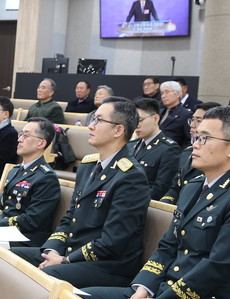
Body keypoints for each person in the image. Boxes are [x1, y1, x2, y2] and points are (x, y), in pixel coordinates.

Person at [80, 106, 230, 299]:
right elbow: (168, 246)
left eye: (204, 138)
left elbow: (220, 265)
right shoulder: (193, 187)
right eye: (196, 136)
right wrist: (142, 288)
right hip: (166, 294)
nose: (195, 145)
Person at [13, 97, 150, 287]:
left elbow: (112, 241)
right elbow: (69, 218)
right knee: (9, 257)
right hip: (72, 254)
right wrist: (52, 250)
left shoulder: (131, 176)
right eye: (92, 119)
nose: (91, 126)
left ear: (118, 130)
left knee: (46, 275)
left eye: (98, 120)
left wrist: (65, 260)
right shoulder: (88, 166)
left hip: (107, 266)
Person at [0, 118, 62, 247]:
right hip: (1, 230)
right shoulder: (15, 170)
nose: (19, 139)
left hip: (24, 237)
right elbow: (0, 205)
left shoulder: (46, 177)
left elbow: (32, 221)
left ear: (41, 144)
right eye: (21, 134)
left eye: (26, 135)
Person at [161, 101, 220, 204]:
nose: (192, 125)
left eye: (198, 120)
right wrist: (164, 204)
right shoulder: (187, 152)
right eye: (192, 120)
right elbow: (175, 187)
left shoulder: (216, 156)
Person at [128, 98, 181, 200]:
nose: (136, 125)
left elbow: (160, 189)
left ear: (156, 119)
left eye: (140, 120)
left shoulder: (169, 149)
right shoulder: (130, 145)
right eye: (133, 121)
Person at [158, 80, 192, 147]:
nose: (163, 96)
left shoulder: (186, 114)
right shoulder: (159, 112)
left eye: (167, 92)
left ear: (178, 94)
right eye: (162, 93)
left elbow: (189, 140)